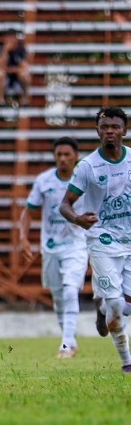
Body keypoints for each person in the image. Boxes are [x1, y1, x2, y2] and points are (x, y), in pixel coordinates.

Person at [59, 107, 131, 373]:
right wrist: (78, 219)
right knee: (116, 302)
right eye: (104, 127)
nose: (109, 131)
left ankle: (100, 307)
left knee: (125, 308)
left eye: (115, 126)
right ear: (97, 130)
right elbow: (65, 205)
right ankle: (127, 361)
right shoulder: (88, 166)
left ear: (125, 129)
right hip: (102, 240)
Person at [19, 137, 87, 358]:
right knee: (58, 296)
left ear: (76, 156)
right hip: (50, 246)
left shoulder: (86, 179)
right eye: (59, 155)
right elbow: (28, 211)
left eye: (68, 155)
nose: (63, 159)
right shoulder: (44, 180)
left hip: (77, 244)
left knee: (70, 290)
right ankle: (71, 340)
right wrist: (23, 238)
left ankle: (66, 344)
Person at [0, 30, 31, 107]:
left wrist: (11, 69)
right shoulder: (2, 48)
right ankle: (1, 101)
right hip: (6, 77)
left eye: (12, 37)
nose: (10, 39)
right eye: (8, 37)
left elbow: (24, 66)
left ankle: (25, 99)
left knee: (24, 74)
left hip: (17, 77)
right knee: (0, 74)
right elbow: (0, 64)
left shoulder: (21, 49)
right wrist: (6, 50)